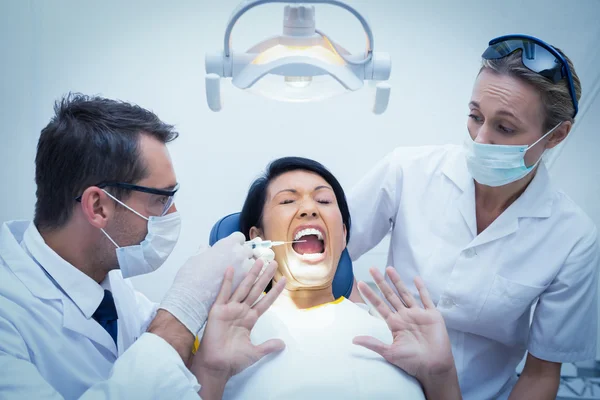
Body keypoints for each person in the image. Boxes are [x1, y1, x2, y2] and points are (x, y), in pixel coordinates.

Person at [346, 34, 599, 399]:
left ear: (556, 135)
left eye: (505, 128)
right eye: (475, 116)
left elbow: (541, 374)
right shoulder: (408, 170)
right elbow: (331, 250)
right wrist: (359, 310)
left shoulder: (572, 237)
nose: (480, 138)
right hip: (380, 382)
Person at [0, 94, 286, 399]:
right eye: (161, 200)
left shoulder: (114, 294)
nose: (172, 215)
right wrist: (182, 309)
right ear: (97, 207)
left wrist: (210, 371)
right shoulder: (9, 317)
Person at [220, 156, 455, 399]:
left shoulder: (398, 335)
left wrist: (442, 375)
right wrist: (210, 370)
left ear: (342, 235)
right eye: (288, 200)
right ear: (258, 238)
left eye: (323, 200)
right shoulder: (228, 334)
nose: (310, 209)